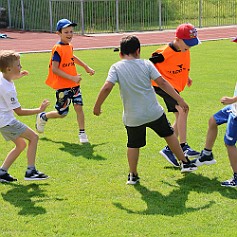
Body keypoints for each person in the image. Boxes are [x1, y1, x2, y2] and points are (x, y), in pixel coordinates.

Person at [93, 35, 197, 185]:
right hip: (153, 112)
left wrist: (97, 106)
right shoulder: (146, 64)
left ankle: (133, 175)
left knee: (133, 144)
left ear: (120, 54)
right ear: (138, 51)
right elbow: (162, 83)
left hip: (133, 116)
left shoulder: (116, 67)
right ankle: (184, 162)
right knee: (169, 135)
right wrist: (179, 99)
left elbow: (107, 87)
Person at [149, 23, 201, 168]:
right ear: (177, 39)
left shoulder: (184, 49)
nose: (189, 48)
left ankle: (170, 149)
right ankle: (183, 146)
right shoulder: (164, 52)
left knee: (180, 114)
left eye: (191, 44)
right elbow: (148, 64)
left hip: (172, 86)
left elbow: (181, 65)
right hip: (161, 85)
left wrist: (186, 77)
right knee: (183, 109)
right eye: (187, 44)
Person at [35, 18, 95, 143]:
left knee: (79, 107)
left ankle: (82, 133)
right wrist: (72, 77)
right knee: (62, 113)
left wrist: (86, 67)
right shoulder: (57, 49)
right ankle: (43, 116)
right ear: (59, 33)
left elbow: (72, 57)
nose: (69, 34)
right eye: (66, 32)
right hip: (63, 87)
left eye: (71, 32)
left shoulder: (69, 46)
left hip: (75, 86)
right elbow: (55, 69)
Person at [192, 37, 237, 187]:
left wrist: (232, 99)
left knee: (229, 143)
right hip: (233, 107)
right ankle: (206, 154)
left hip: (236, 111)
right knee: (213, 120)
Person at [0, 50, 50, 182]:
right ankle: (31, 171)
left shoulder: (3, 76)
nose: (21, 67)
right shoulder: (8, 90)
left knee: (21, 144)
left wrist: (18, 75)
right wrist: (39, 109)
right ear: (9, 68)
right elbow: (19, 112)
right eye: (18, 65)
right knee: (34, 137)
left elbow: (8, 76)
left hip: (2, 122)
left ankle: (2, 172)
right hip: (7, 122)